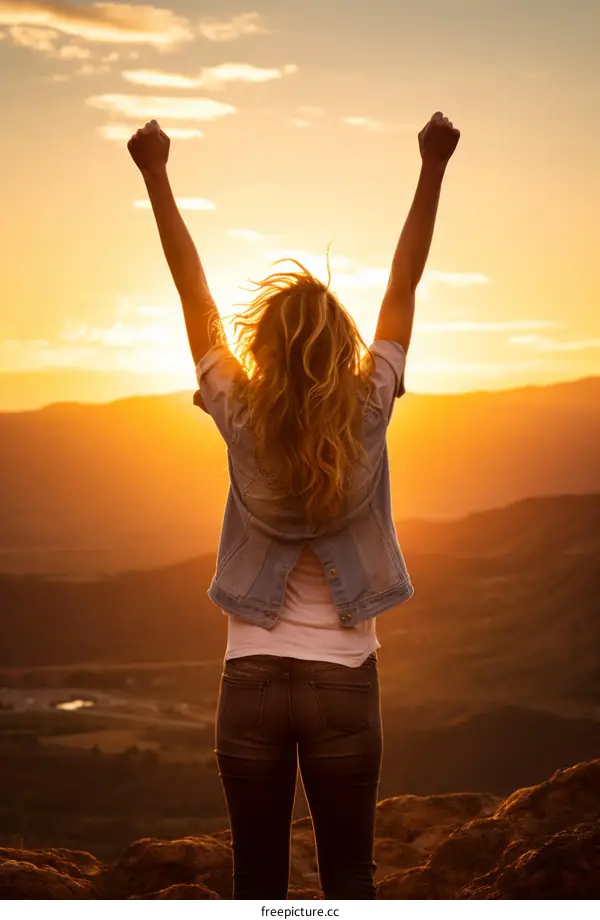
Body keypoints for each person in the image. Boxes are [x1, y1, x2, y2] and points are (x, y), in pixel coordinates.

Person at [127, 110, 460, 899]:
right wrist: (433, 164)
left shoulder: (239, 409)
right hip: (346, 679)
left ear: (266, 346)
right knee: (350, 879)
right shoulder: (371, 403)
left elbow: (192, 293)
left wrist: (156, 176)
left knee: (258, 886)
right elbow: (404, 285)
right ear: (339, 342)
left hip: (250, 683)